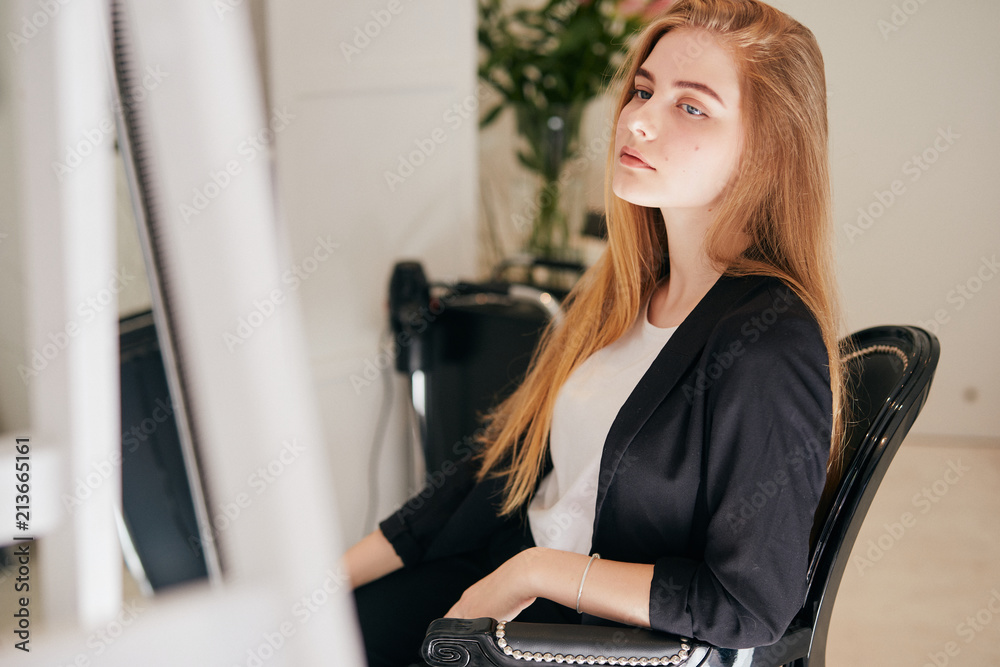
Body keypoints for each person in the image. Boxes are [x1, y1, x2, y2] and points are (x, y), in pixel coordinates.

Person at [344, 0, 845, 664]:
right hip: (505, 569)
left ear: (770, 147)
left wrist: (536, 570)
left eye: (691, 107)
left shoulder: (770, 339)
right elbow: (497, 466)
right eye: (643, 90)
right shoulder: (620, 289)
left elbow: (748, 602)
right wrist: (321, 580)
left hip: (584, 634)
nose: (636, 119)